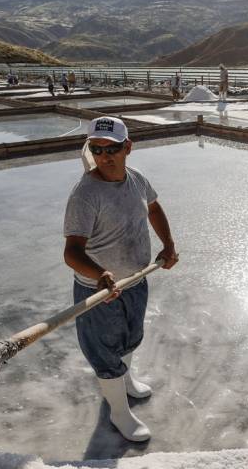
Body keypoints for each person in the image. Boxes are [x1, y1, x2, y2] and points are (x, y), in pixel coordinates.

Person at [63, 116, 178, 442]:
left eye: (111, 148)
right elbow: (72, 253)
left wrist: (168, 245)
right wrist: (99, 276)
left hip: (135, 280)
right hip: (98, 293)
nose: (104, 156)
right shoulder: (85, 195)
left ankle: (125, 381)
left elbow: (153, 208)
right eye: (96, 149)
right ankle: (118, 412)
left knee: (131, 337)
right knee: (104, 352)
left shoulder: (137, 179)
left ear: (128, 147)